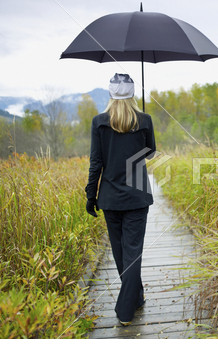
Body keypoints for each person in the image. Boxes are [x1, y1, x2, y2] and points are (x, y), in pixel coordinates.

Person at [85, 73, 156, 326]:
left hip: (111, 198)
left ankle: (125, 309)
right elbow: (151, 151)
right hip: (137, 195)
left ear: (110, 94)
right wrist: (138, 136)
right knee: (132, 254)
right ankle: (134, 299)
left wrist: (90, 195)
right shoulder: (144, 120)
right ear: (133, 94)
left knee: (120, 253)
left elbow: (96, 163)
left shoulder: (99, 122)